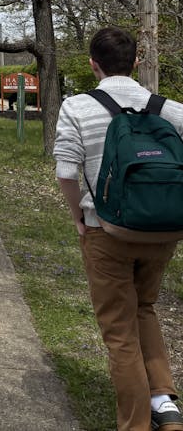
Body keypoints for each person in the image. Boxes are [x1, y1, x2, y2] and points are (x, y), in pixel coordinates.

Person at [54, 26, 183, 431]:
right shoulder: (170, 109)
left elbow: (65, 171)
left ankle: (136, 424)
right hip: (162, 232)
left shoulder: (77, 107)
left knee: (119, 332)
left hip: (106, 231)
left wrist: (78, 217)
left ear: (93, 65)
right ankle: (165, 403)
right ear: (137, 63)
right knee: (144, 307)